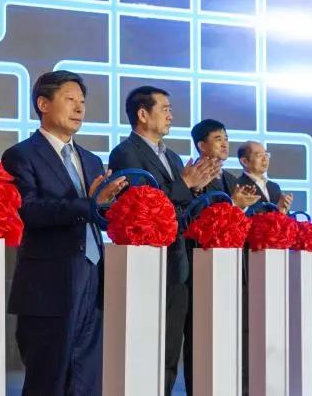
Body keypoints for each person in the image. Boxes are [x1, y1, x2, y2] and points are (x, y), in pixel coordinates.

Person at [2, 70, 126, 396]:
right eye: (70, 99)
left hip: (93, 277)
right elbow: (28, 210)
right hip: (49, 283)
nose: (79, 108)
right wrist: (89, 204)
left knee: (88, 378)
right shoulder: (21, 155)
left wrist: (112, 207)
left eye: (82, 101)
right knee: (49, 379)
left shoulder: (92, 160)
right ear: (43, 104)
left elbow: (96, 216)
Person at [108, 86, 220, 396]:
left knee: (170, 351)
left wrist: (196, 190)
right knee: (147, 351)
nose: (171, 115)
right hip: (147, 265)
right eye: (165, 109)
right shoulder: (126, 152)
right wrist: (185, 183)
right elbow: (142, 206)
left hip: (177, 262)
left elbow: (179, 207)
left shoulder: (172, 156)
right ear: (143, 115)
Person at [185, 119, 260, 396]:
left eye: (226, 138)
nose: (225, 143)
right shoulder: (193, 176)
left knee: (230, 338)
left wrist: (241, 209)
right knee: (203, 339)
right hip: (203, 267)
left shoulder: (230, 179)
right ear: (202, 145)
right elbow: (197, 221)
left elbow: (235, 221)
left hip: (230, 267)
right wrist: (233, 206)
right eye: (218, 139)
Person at [236, 141, 293, 213]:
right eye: (259, 155)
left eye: (266, 154)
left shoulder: (274, 187)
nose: (265, 159)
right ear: (245, 161)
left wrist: (282, 212)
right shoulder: (237, 186)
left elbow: (284, 216)